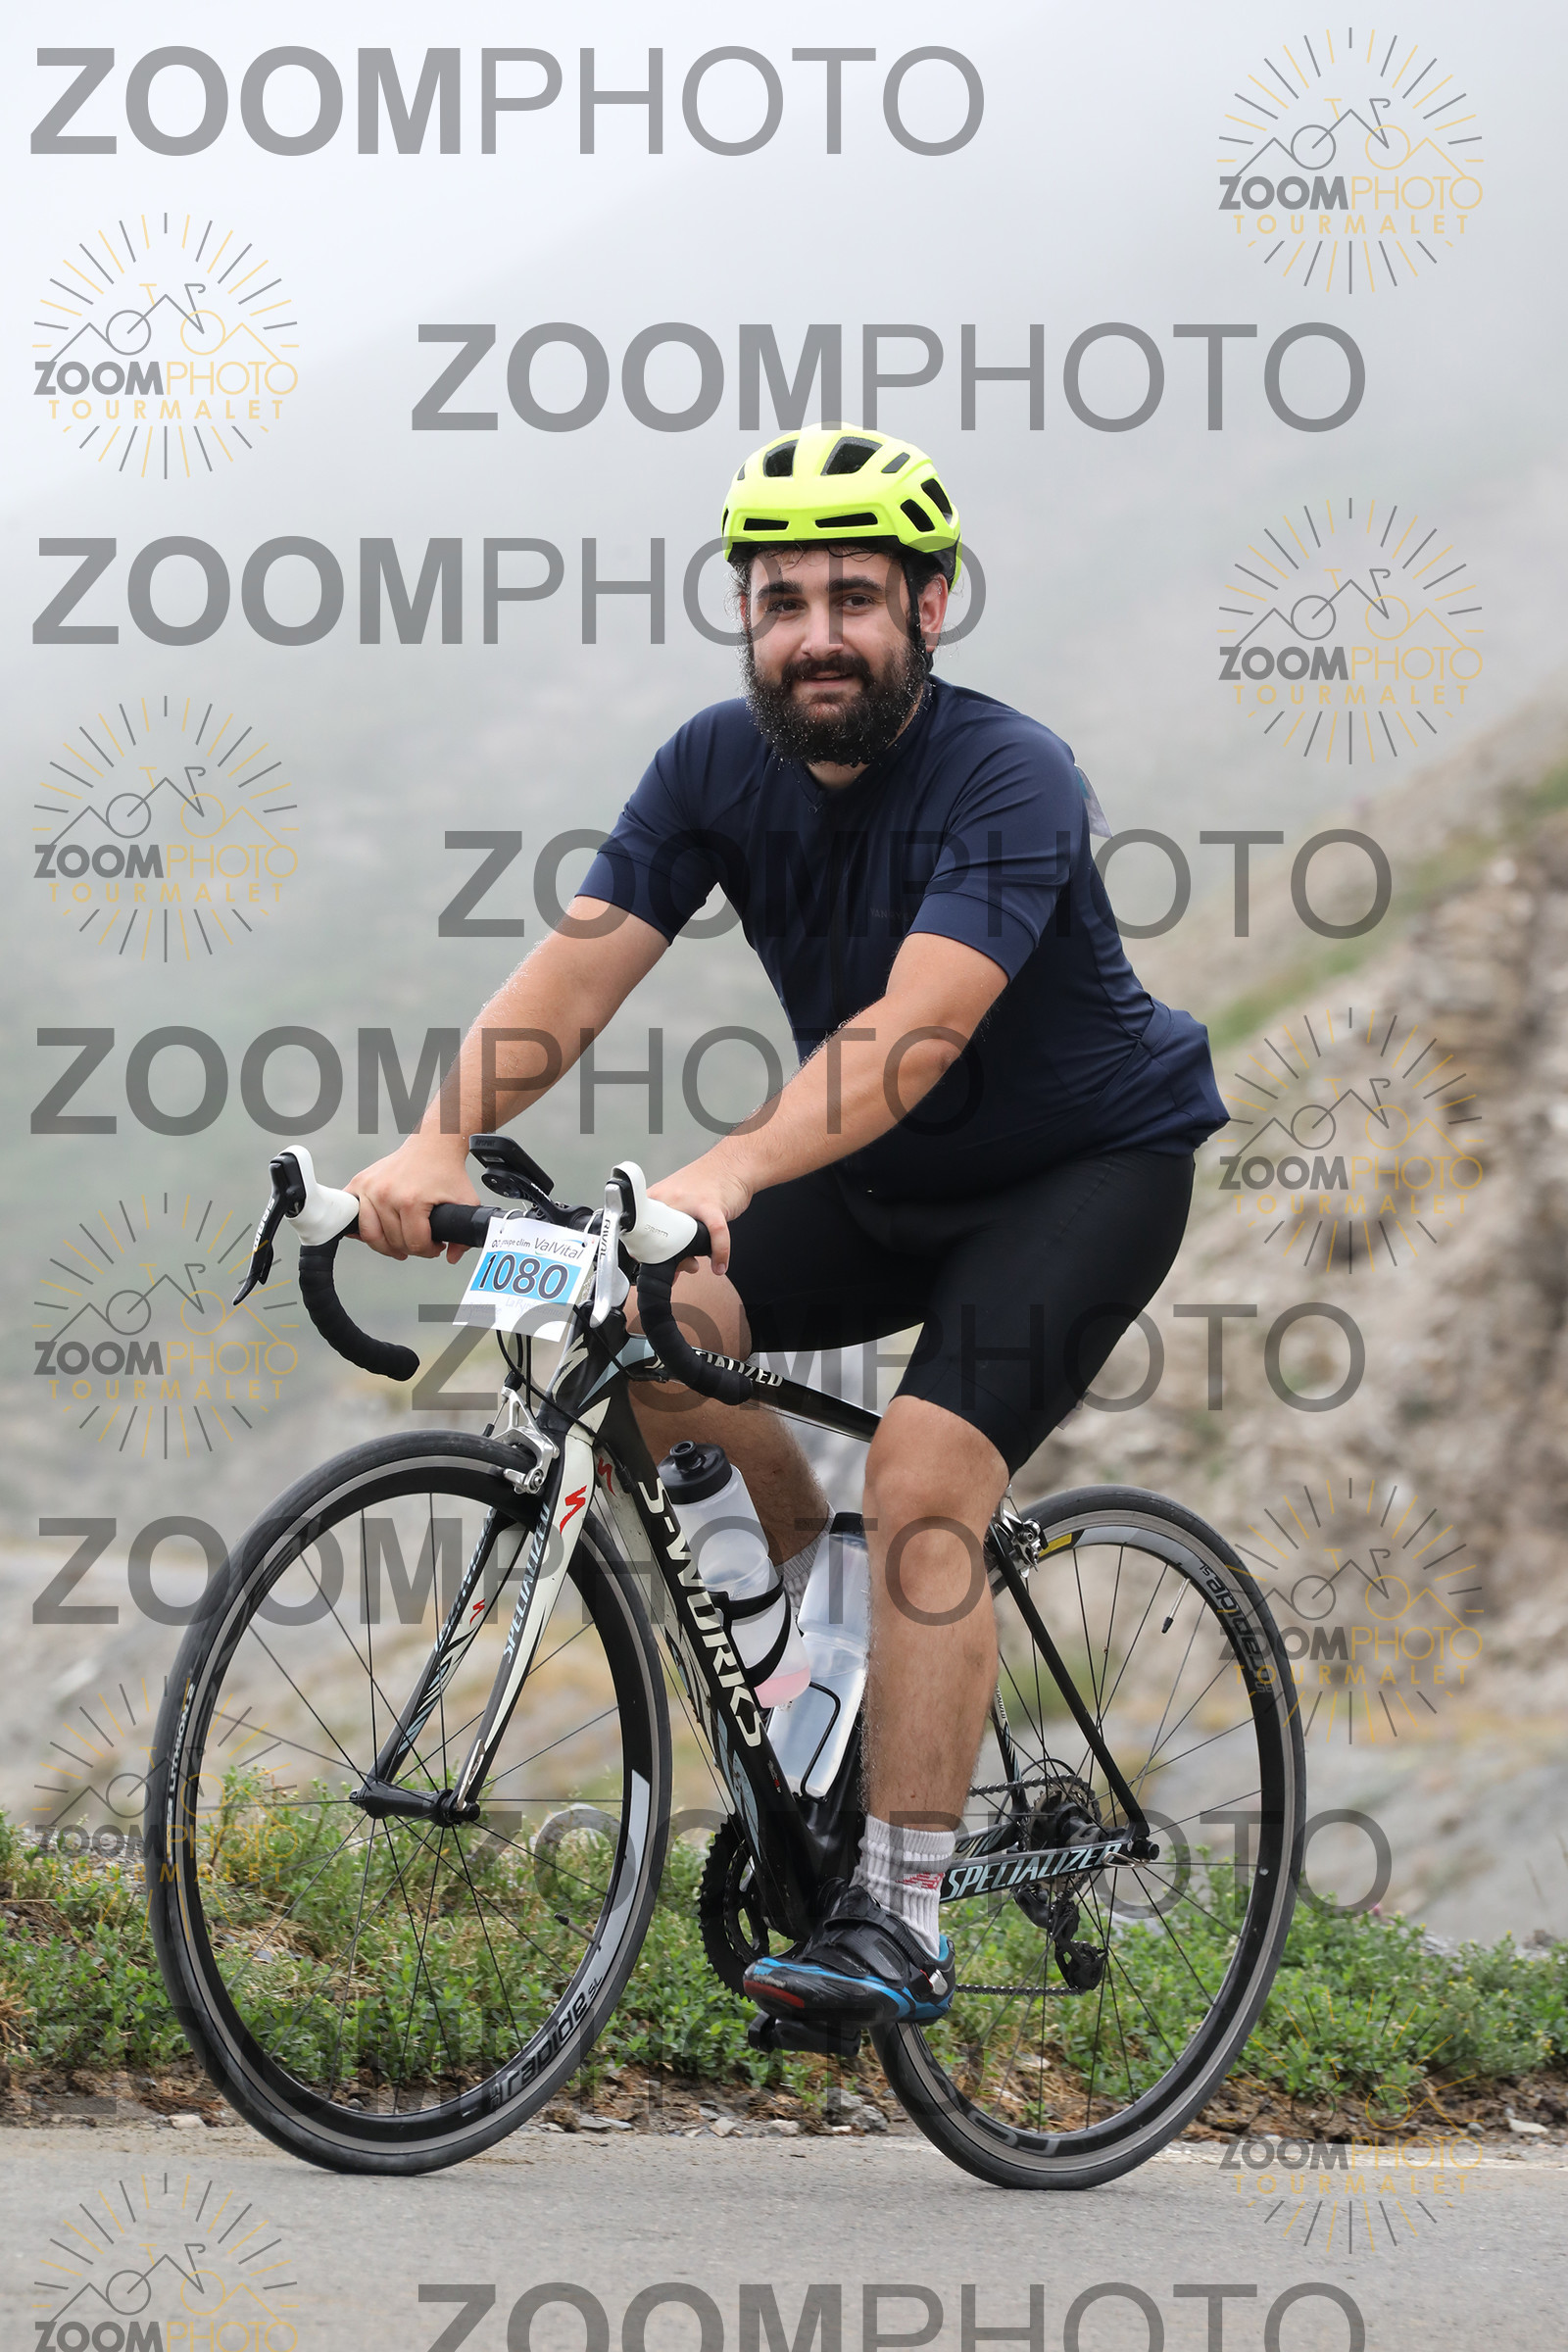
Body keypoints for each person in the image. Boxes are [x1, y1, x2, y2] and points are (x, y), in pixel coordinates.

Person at [349, 424, 1225, 2031]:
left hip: (1085, 1168)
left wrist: (732, 1173)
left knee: (928, 1476)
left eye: (855, 599)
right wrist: (436, 1135)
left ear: (929, 608)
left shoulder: (1011, 773)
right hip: (879, 1179)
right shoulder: (711, 768)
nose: (817, 634)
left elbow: (913, 1033)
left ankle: (901, 1916)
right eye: (782, 602)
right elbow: (579, 971)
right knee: (639, 1324)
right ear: (747, 618)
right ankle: (811, 1602)